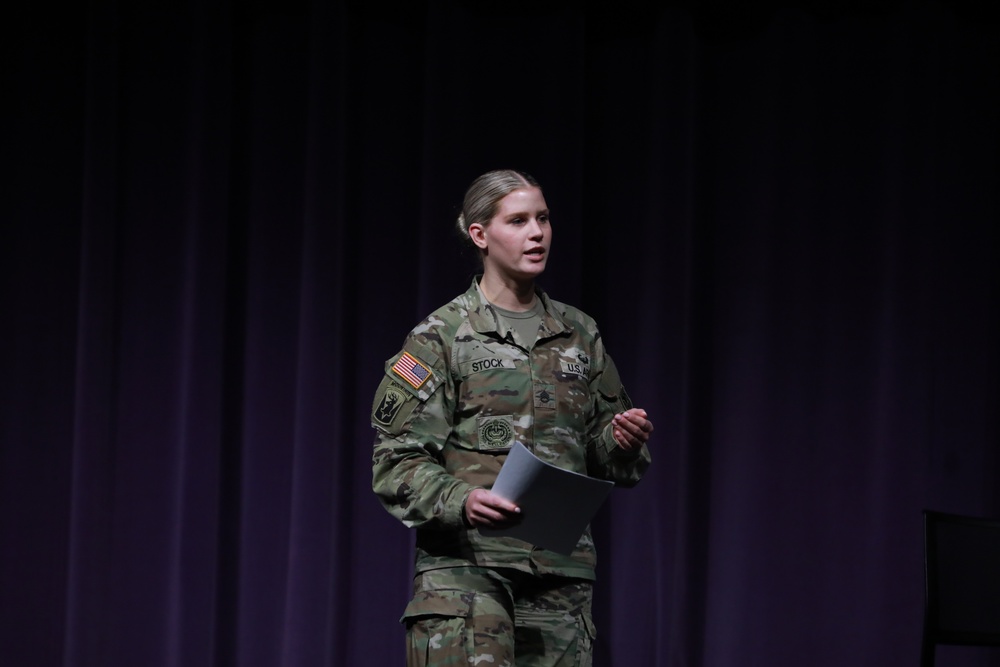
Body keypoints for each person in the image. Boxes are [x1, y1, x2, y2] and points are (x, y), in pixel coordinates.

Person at [370, 169, 653, 667]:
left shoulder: (579, 333)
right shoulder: (441, 335)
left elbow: (606, 460)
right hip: (467, 577)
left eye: (542, 219)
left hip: (560, 580)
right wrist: (463, 499)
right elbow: (396, 461)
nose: (537, 233)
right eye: (518, 220)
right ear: (479, 234)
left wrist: (622, 443)